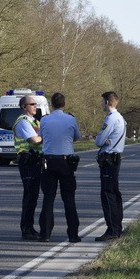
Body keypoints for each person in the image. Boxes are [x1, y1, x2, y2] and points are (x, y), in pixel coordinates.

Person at [37, 92, 82, 243]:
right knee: (69, 199)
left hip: (48, 162)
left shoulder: (45, 120)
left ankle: (45, 233)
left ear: (52, 104)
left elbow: (41, 136)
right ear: (64, 104)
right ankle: (73, 235)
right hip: (66, 162)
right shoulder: (71, 119)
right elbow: (77, 137)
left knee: (48, 198)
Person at [94, 91, 126, 241]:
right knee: (115, 193)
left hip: (108, 159)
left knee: (107, 195)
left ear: (107, 102)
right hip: (115, 158)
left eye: (103, 102)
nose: (101, 105)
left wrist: (103, 140)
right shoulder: (120, 117)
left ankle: (112, 229)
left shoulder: (111, 119)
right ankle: (117, 228)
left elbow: (99, 141)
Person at [13, 95, 43, 240]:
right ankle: (27, 229)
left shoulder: (34, 121)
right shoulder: (23, 122)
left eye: (36, 104)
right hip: (27, 161)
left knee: (33, 195)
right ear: (24, 107)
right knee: (30, 196)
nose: (35, 106)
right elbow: (35, 140)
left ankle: (29, 227)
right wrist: (46, 136)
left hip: (35, 160)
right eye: (32, 104)